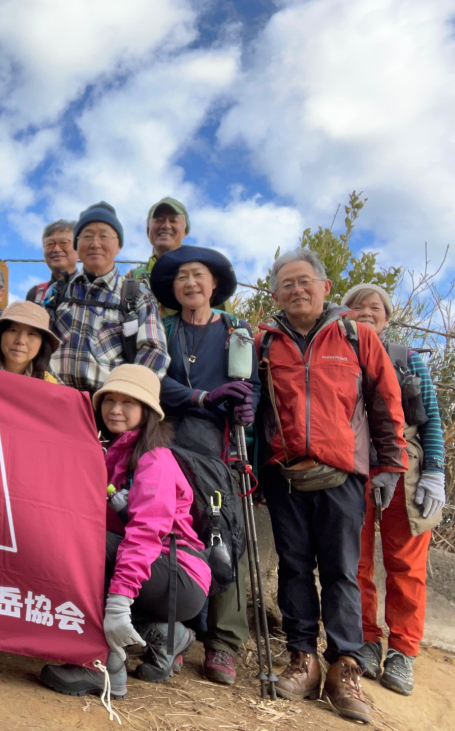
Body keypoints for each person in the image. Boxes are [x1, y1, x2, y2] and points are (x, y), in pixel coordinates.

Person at [256, 249, 407, 725]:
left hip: (343, 474)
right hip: (286, 475)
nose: (297, 290)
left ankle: (345, 666)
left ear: (324, 287)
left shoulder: (356, 336)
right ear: (276, 293)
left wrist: (389, 465)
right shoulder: (264, 342)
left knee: (342, 570)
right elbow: (256, 410)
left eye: (305, 281)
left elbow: (386, 402)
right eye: (287, 284)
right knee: (294, 566)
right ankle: (302, 658)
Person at [40, 364, 210, 698]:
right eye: (109, 400)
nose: (115, 409)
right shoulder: (116, 455)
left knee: (85, 544)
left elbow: (146, 532)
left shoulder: (155, 460)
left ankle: (103, 667)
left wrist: (118, 601)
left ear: (147, 411)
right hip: (161, 575)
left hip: (179, 576)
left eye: (128, 402)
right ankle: (165, 635)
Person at [149, 246, 260, 686]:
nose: (190, 284)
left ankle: (223, 644)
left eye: (198, 276)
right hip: (168, 440)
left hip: (219, 450)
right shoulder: (164, 328)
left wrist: (247, 405)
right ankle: (172, 627)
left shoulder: (237, 331)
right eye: (181, 278)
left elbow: (252, 386)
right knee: (167, 530)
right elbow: (153, 377)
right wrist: (200, 398)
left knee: (225, 537)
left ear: (215, 284)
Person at [343, 284, 446, 697]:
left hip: (407, 467)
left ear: (387, 318)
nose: (366, 312)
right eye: (357, 307)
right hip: (352, 467)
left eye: (375, 308)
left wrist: (436, 470)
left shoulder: (409, 360)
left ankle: (403, 650)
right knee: (356, 561)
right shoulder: (339, 354)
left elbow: (433, 419)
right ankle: (367, 640)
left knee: (406, 563)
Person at [47, 202, 169, 394]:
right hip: (52, 399)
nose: (95, 244)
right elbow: (34, 342)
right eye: (87, 236)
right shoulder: (57, 291)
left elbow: (155, 353)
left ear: (118, 245)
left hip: (107, 406)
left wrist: (125, 396)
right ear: (77, 246)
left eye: (104, 236)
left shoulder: (137, 294)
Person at [0, 301, 60, 383]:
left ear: (42, 344)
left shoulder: (49, 385)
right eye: (13, 330)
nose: (20, 341)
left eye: (31, 334)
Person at [126, 197, 189, 287]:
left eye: (173, 220)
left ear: (185, 232)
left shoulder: (203, 278)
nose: (166, 225)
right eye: (159, 220)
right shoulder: (130, 279)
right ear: (148, 231)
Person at [26, 220, 78, 304]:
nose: (56, 249)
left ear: (79, 251)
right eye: (50, 244)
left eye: (64, 242)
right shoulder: (35, 294)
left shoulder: (90, 290)